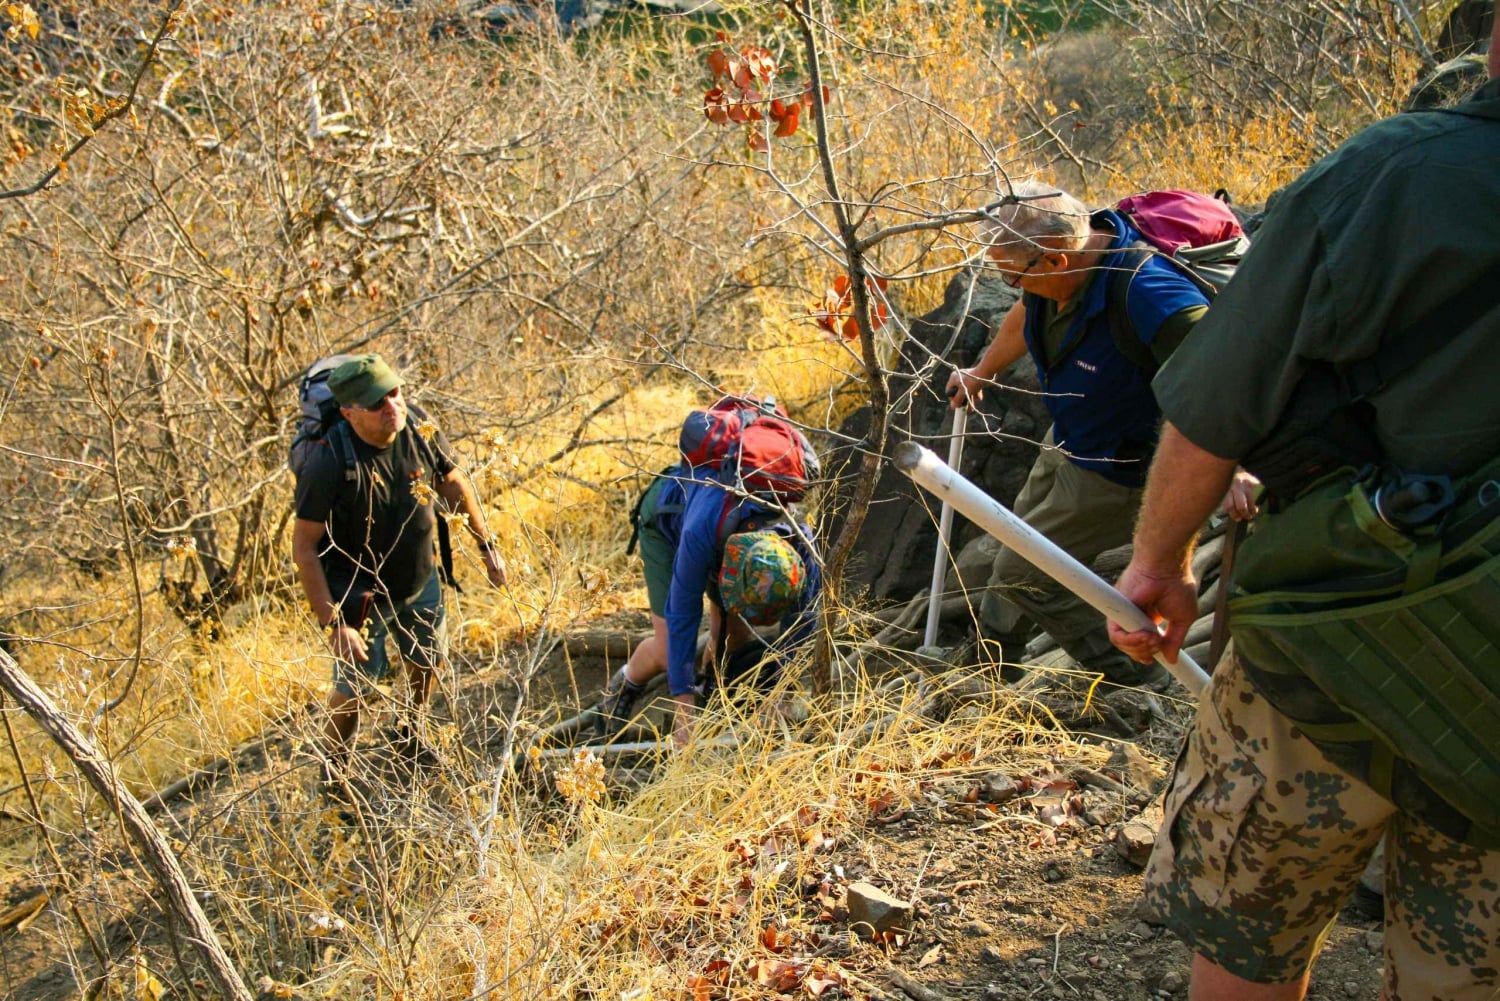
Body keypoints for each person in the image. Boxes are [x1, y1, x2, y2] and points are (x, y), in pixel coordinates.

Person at [1109, 17, 1500, 999]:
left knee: (1247, 945)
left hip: (1331, 655)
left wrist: (1163, 561)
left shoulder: (1390, 174)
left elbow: (1213, 412)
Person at [945, 180, 1211, 691]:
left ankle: (1144, 680)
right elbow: (1027, 312)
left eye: (1012, 272)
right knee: (1012, 543)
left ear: (1055, 263)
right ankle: (993, 659)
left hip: (1119, 472)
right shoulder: (1059, 268)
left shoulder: (1150, 293)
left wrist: (1237, 464)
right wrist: (983, 371)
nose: (1008, 283)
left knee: (1026, 576)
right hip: (1068, 440)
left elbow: (1223, 377)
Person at [291, 354, 506, 783]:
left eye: (395, 393)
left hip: (418, 575)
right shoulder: (328, 460)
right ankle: (333, 771)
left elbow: (452, 484)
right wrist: (335, 625)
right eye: (377, 403)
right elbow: (305, 545)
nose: (393, 407)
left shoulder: (417, 426)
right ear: (351, 414)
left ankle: (410, 731)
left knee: (428, 659)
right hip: (358, 593)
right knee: (356, 689)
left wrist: (487, 546)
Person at [598, 463, 821, 748]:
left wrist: (782, 695)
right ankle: (623, 686)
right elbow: (683, 616)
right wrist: (684, 714)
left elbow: (803, 625)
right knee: (669, 650)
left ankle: (710, 692)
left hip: (728, 529)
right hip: (666, 518)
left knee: (735, 636)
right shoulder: (699, 534)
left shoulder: (800, 545)